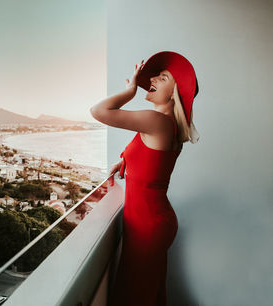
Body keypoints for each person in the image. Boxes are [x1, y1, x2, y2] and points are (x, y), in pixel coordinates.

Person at [89, 51, 200, 306]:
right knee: (146, 294)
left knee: (134, 296)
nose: (152, 78)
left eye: (163, 77)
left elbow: (98, 111)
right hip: (152, 221)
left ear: (175, 92)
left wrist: (129, 92)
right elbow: (153, 163)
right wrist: (125, 161)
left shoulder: (156, 121)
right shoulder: (167, 126)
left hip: (147, 225)